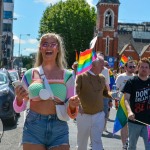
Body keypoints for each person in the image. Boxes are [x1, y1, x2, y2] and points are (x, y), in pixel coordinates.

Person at [13, 33, 80, 150]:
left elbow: (71, 112)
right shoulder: (29, 74)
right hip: (33, 127)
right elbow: (19, 108)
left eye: (53, 44)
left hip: (59, 128)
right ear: (40, 49)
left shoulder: (68, 76)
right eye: (45, 44)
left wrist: (73, 105)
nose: (48, 47)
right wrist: (18, 98)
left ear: (58, 49)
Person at [76, 55, 112, 150]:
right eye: (101, 64)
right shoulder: (81, 77)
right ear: (93, 64)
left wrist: (113, 95)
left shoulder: (102, 78)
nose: (103, 67)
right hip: (83, 115)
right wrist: (78, 106)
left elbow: (104, 92)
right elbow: (75, 93)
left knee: (97, 141)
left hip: (98, 115)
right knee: (82, 142)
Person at [122, 57, 150, 150]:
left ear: (149, 69)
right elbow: (126, 99)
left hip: (148, 123)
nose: (144, 69)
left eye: (146, 67)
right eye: (142, 67)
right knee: (132, 146)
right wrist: (129, 112)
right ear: (138, 68)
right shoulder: (132, 81)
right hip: (134, 120)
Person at [115, 60, 136, 150]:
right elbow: (116, 90)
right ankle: (124, 144)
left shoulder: (136, 78)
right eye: (130, 67)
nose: (132, 68)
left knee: (132, 125)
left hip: (135, 104)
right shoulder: (120, 77)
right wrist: (116, 101)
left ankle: (129, 142)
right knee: (123, 124)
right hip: (123, 103)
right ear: (126, 68)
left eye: (133, 67)